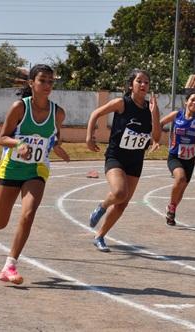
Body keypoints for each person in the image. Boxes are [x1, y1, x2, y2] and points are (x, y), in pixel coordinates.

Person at [0, 64, 70, 284]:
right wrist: (18, 144)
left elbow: (54, 136)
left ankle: (10, 265)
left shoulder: (58, 112)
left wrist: (57, 147)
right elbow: (1, 138)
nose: (47, 85)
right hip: (12, 168)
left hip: (37, 169)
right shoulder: (19, 108)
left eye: (50, 81)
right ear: (31, 83)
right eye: (42, 80)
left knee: (28, 214)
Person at [85, 69, 161, 252]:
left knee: (123, 203)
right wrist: (89, 136)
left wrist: (155, 114)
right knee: (120, 192)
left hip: (136, 160)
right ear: (131, 85)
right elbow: (95, 113)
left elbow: (157, 136)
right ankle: (102, 206)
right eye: (139, 81)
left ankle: (100, 236)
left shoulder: (150, 109)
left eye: (146, 82)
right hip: (116, 157)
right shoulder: (121, 103)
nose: (143, 85)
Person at [160, 93, 195, 226]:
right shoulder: (177, 114)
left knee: (182, 188)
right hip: (175, 156)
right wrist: (156, 139)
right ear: (186, 102)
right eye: (192, 100)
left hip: (190, 158)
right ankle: (171, 207)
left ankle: (172, 210)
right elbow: (160, 123)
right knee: (180, 178)